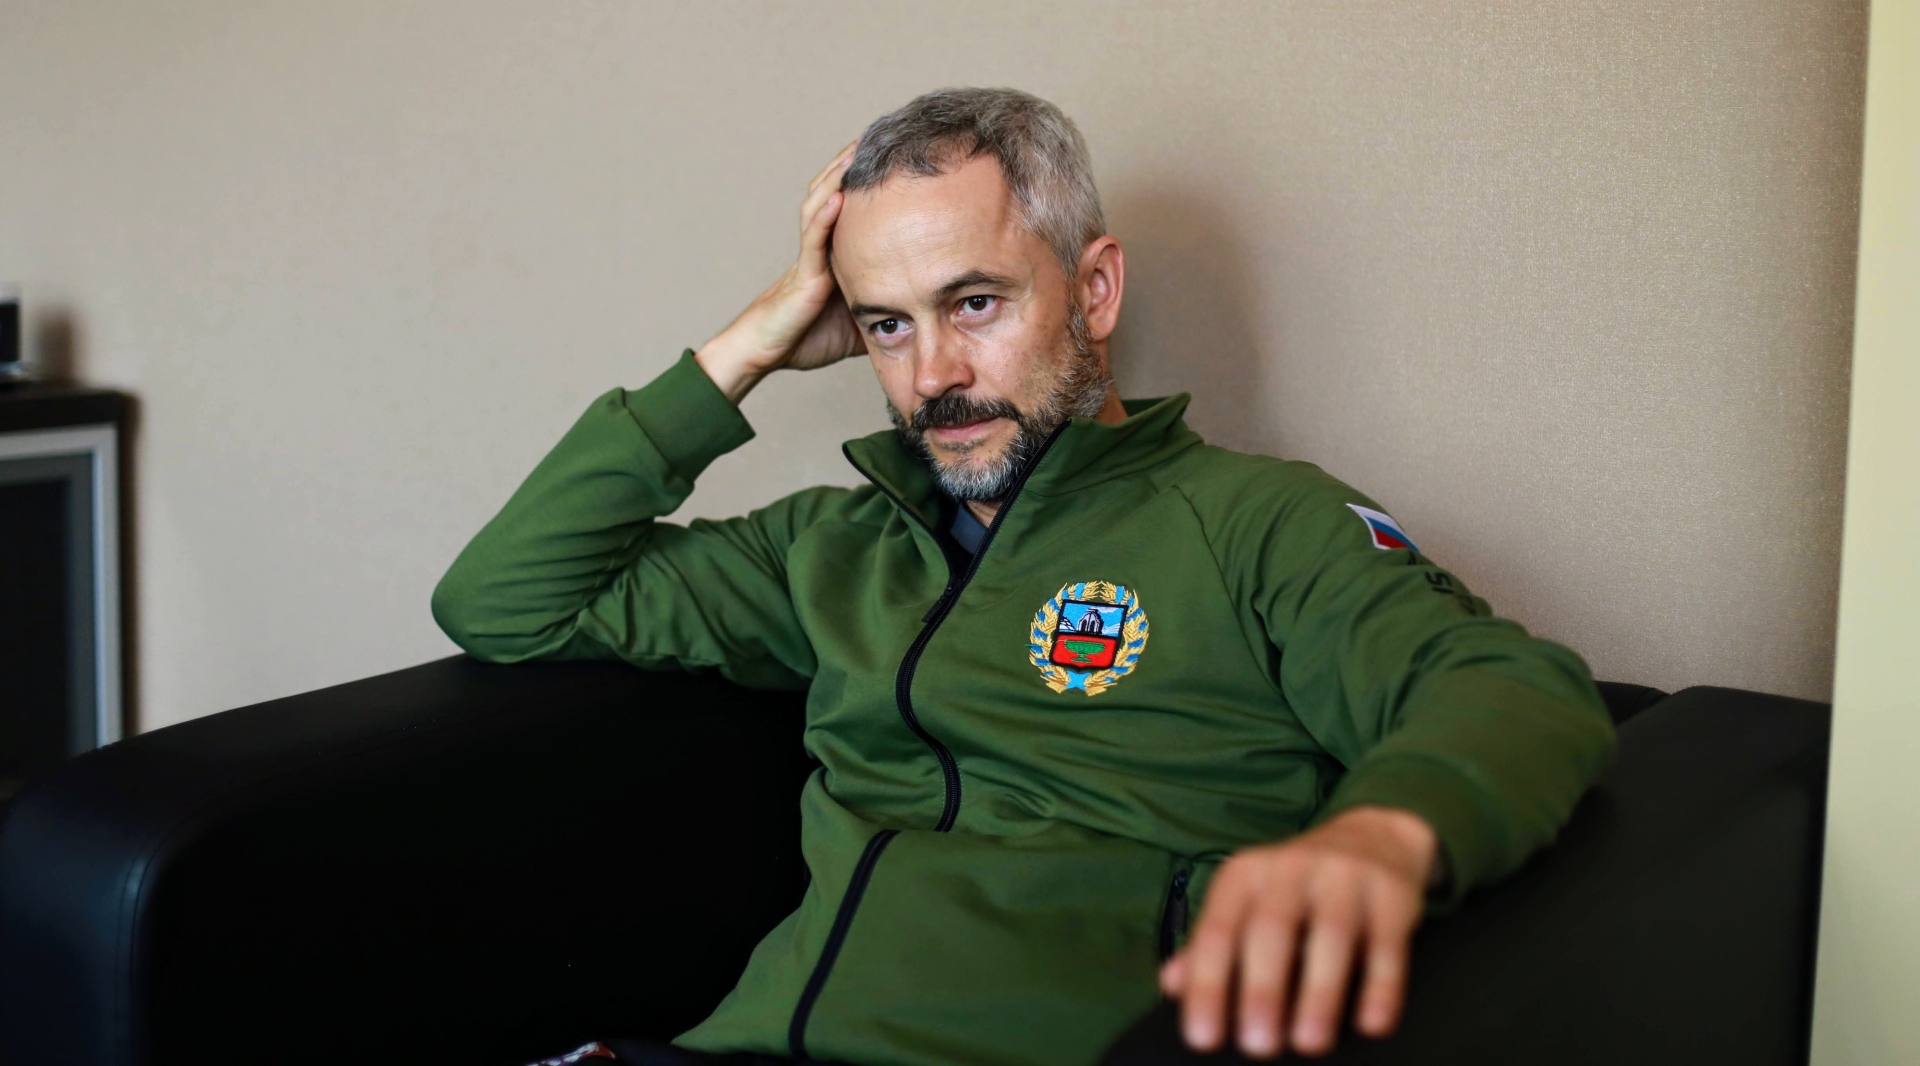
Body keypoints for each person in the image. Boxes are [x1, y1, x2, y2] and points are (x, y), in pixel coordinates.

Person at [432, 88, 1615, 1066]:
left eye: (975, 302)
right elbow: (503, 598)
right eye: (886, 325)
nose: (933, 373)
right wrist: (749, 342)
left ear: (1094, 289)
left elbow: (1506, 686)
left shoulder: (1254, 521)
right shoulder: (828, 548)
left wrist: (1380, 838)